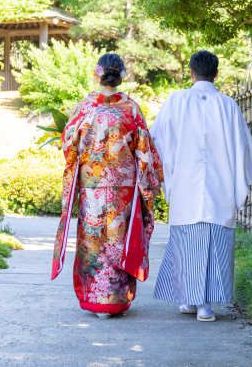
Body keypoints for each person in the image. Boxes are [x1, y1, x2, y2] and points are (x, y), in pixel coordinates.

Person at [150, 50, 252, 322]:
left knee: (188, 241)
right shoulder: (228, 105)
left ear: (191, 72)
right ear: (216, 73)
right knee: (214, 244)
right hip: (220, 186)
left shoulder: (175, 101)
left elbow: (155, 140)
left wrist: (163, 175)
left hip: (184, 185)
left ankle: (190, 301)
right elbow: (243, 148)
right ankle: (204, 306)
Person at [51, 53, 163, 318]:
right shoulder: (131, 109)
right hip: (123, 190)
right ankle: (116, 298)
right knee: (117, 242)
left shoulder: (83, 109)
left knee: (93, 243)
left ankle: (95, 298)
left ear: (96, 73)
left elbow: (69, 147)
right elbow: (145, 152)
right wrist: (148, 184)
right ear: (123, 74)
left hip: (92, 188)